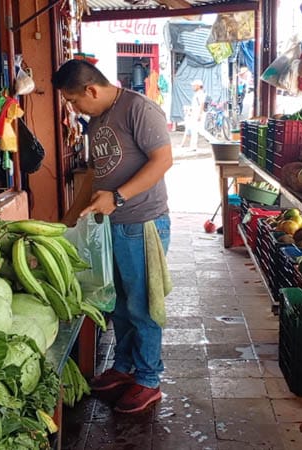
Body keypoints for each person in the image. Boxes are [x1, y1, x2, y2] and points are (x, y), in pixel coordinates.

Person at [52, 59, 172, 414]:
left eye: (73, 101)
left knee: (143, 305)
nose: (73, 109)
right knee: (117, 301)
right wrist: (69, 219)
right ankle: (124, 367)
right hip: (110, 225)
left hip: (141, 222)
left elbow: (163, 161)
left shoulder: (139, 109)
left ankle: (149, 379)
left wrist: (118, 197)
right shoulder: (97, 119)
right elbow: (95, 172)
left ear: (91, 90)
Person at [179, 79, 214, 151]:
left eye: (194, 86)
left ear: (198, 86)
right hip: (196, 114)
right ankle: (193, 146)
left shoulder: (200, 93)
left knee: (198, 130)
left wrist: (200, 115)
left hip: (198, 114)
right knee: (196, 130)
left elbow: (202, 104)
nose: (193, 87)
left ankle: (214, 141)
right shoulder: (198, 93)